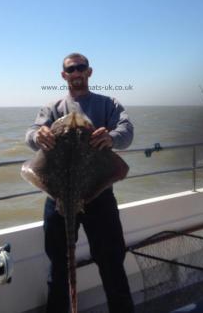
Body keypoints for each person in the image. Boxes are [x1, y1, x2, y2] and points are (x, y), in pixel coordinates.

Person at [25, 53, 135, 313]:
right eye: (71, 69)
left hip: (99, 195)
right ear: (64, 75)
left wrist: (111, 138)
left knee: (111, 263)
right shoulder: (53, 108)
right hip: (59, 198)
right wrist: (39, 136)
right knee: (59, 267)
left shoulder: (108, 103)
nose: (76, 72)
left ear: (89, 72)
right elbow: (31, 134)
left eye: (81, 68)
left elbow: (127, 131)